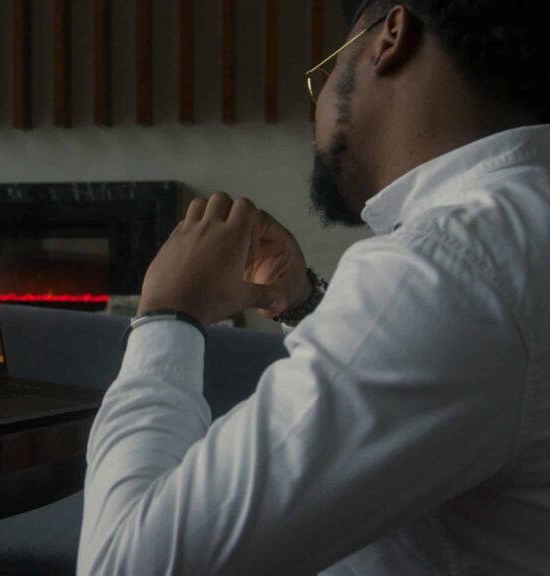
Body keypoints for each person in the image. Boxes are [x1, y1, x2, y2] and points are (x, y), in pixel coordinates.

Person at [79, 1, 550, 574]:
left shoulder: (449, 264)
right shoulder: (518, 227)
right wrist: (303, 303)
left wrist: (166, 316)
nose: (316, 113)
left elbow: (122, 562)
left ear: (390, 37)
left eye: (324, 73)